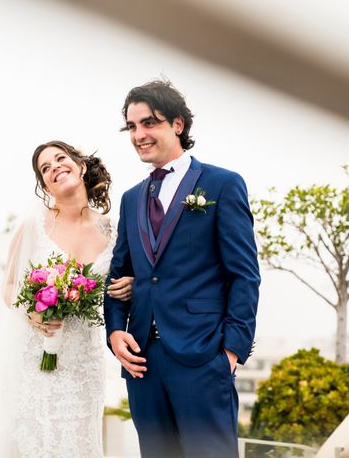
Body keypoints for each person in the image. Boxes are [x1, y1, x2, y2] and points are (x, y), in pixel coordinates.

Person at [104, 80, 260, 458]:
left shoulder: (222, 184)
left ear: (177, 124)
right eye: (132, 126)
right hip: (143, 362)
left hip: (203, 358)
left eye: (148, 123)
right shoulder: (130, 199)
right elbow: (118, 274)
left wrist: (231, 352)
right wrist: (114, 332)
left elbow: (245, 274)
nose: (139, 135)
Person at [2, 140, 133, 458]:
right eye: (45, 168)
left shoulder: (113, 231)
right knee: (40, 442)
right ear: (44, 184)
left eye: (60, 159)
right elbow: (8, 285)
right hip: (38, 358)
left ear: (81, 165)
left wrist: (132, 284)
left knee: (81, 443)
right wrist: (32, 315)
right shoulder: (35, 225)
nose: (54, 167)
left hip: (84, 361)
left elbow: (124, 282)